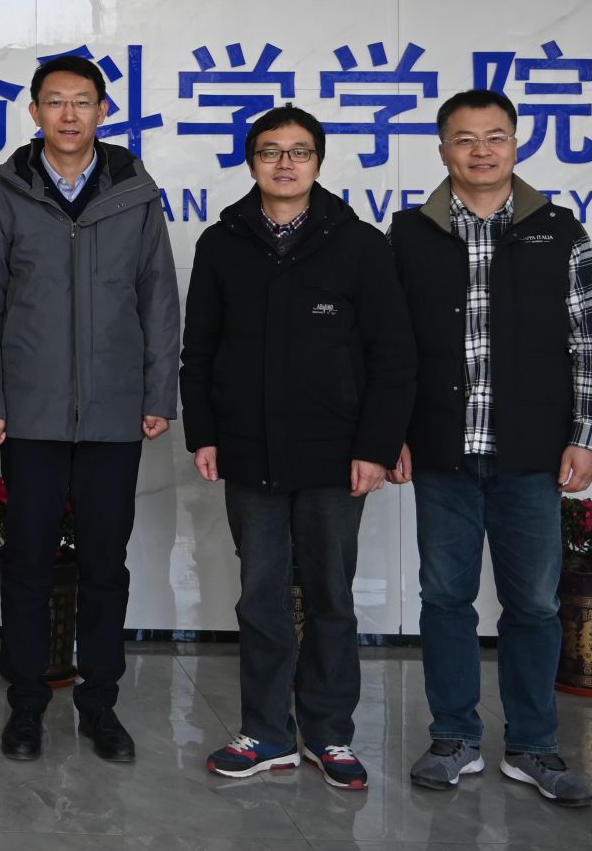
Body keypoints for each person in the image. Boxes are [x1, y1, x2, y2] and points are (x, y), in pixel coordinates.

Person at [390, 88, 592, 809]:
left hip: (532, 454)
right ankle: (453, 738)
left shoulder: (559, 230)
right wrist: (388, 434)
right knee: (444, 599)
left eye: (495, 137)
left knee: (535, 605)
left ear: (516, 144)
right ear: (443, 150)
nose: (481, 150)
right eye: (465, 139)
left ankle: (533, 745)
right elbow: (386, 345)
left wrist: (587, 435)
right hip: (441, 452)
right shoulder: (408, 233)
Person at [181, 105, 414, 790]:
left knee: (330, 594)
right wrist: (205, 432)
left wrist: (376, 445)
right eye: (270, 151)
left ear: (318, 160)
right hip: (249, 450)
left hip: (335, 454)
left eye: (300, 151)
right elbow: (200, 350)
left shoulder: (360, 243)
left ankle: (330, 733)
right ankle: (268, 733)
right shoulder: (222, 241)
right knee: (260, 596)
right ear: (251, 160)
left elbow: (393, 354)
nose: (285, 164)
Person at [0, 53, 180, 763]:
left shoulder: (135, 195)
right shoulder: (5, 196)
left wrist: (157, 393)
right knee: (28, 562)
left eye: (81, 101)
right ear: (34, 113)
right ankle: (26, 704)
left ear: (102, 111)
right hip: (29, 413)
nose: (68, 114)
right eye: (54, 101)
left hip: (115, 412)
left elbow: (158, 297)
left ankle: (101, 704)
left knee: (105, 565)